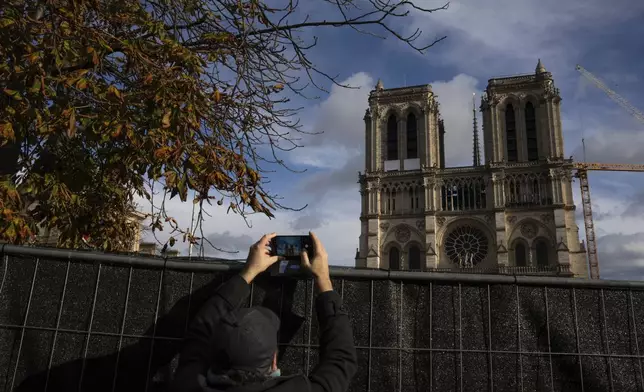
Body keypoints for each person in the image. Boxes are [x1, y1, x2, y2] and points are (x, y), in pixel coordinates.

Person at [170, 232, 357, 392]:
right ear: (274, 361)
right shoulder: (189, 380)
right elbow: (341, 359)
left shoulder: (188, 384)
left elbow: (199, 333)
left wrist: (248, 272)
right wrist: (323, 279)